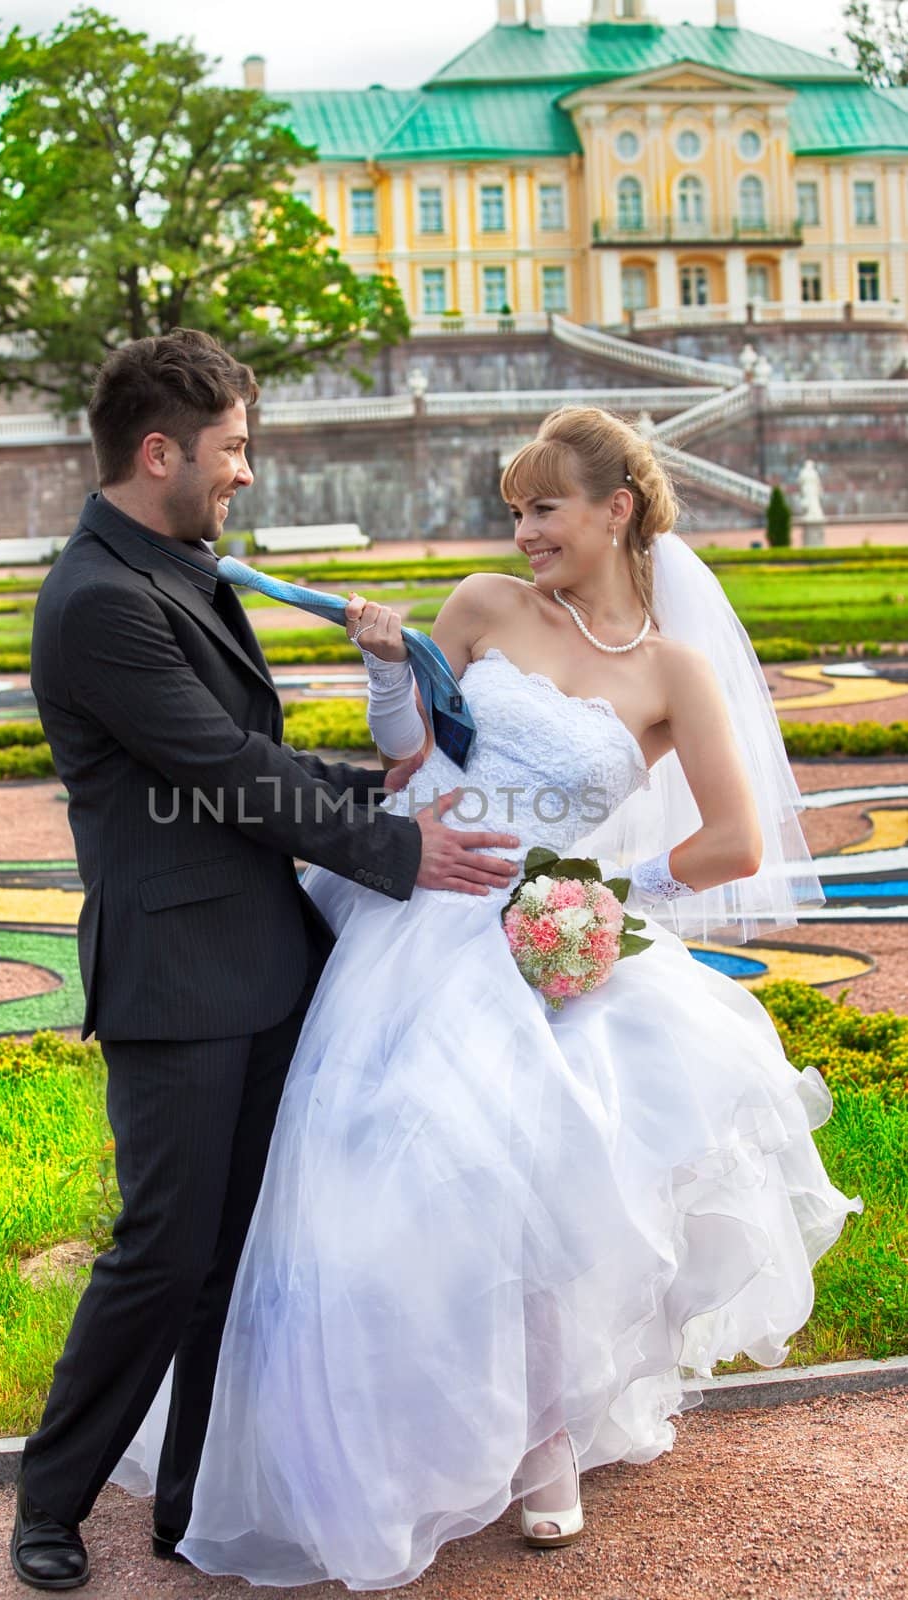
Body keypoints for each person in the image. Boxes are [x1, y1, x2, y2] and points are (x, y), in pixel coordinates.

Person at [113, 405, 864, 1590]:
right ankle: (360, 1432)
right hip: (415, 920)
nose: (522, 532)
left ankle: (541, 1441)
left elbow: (733, 836)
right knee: (376, 1183)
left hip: (554, 939)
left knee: (546, 1182)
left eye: (545, 508)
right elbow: (409, 760)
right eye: (514, 510)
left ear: (617, 509)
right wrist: (381, 664)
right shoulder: (480, 604)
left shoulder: (673, 669)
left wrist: (602, 899)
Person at [12, 329, 521, 1592]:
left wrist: (372, 790)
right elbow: (224, 774)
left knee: (239, 1257)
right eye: (231, 447)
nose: (243, 470)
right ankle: (49, 1499)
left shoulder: (180, 567)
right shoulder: (98, 601)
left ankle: (191, 1498)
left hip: (265, 959)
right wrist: (399, 852)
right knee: (163, 1249)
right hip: (177, 980)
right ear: (158, 450)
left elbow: (259, 755)